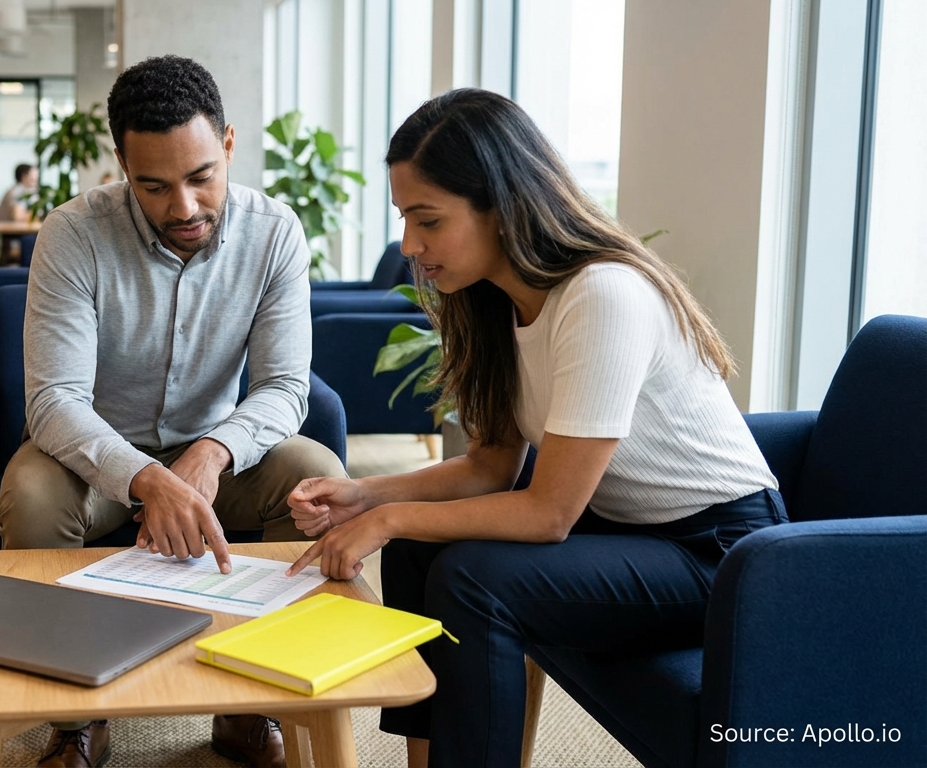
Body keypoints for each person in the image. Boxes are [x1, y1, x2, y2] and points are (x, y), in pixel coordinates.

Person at [284, 88, 784, 768]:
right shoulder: (496, 303)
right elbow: (489, 467)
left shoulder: (601, 295)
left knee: (471, 578)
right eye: (406, 218)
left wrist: (391, 517)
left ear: (501, 202)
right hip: (627, 529)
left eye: (428, 220)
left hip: (720, 553)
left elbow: (549, 513)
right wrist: (369, 498)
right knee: (415, 553)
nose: (410, 244)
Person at [0, 54, 346, 768]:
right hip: (94, 458)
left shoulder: (275, 233)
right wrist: (147, 480)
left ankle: (252, 703)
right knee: (30, 493)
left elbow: (285, 386)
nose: (183, 208)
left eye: (200, 178)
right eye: (153, 186)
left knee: (314, 469)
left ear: (228, 144)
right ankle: (74, 718)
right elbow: (54, 401)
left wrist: (209, 454)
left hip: (217, 453)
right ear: (121, 165)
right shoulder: (73, 233)